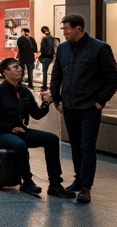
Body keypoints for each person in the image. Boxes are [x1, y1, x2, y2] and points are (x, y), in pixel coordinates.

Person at [45, 13, 117, 203]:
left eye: (67, 29)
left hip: (89, 107)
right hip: (69, 106)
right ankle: (78, 180)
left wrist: (101, 101)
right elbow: (56, 76)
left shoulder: (99, 48)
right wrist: (57, 101)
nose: (64, 32)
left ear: (79, 28)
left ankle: (86, 187)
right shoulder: (62, 49)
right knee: (75, 146)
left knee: (87, 147)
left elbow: (113, 77)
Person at [0, 57, 73, 197]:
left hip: (20, 131)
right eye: (15, 67)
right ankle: (28, 182)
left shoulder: (24, 91)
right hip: (2, 133)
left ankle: (55, 184)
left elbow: (36, 114)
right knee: (20, 145)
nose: (20, 69)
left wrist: (45, 104)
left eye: (20, 66)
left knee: (51, 139)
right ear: (5, 72)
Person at [38, 26, 57, 91]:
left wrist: (41, 57)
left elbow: (43, 49)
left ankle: (44, 85)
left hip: (45, 57)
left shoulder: (45, 39)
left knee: (44, 72)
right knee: (49, 72)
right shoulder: (53, 38)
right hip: (51, 57)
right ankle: (48, 85)